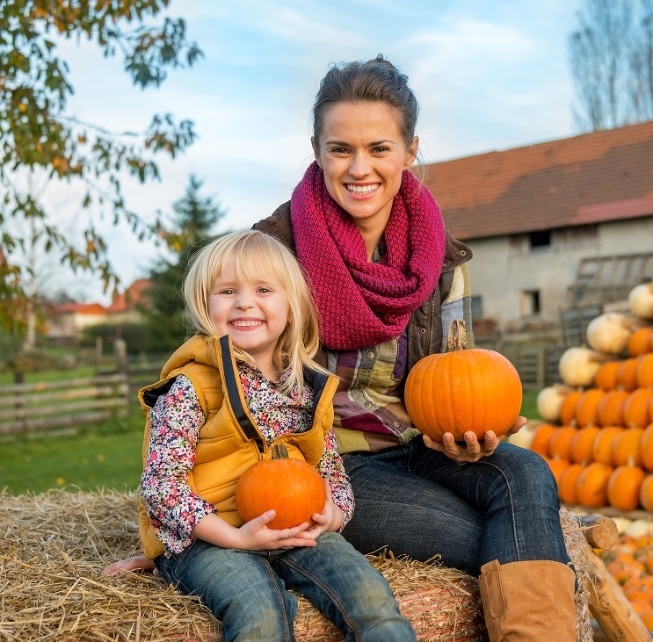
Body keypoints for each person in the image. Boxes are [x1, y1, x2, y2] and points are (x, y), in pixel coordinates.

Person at [107, 56, 577, 640]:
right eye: (340, 149)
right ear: (316, 149)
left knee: (526, 475)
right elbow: (214, 371)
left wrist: (463, 432)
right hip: (334, 463)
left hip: (418, 445)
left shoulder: (442, 262)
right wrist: (176, 536)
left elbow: (459, 372)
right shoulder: (277, 249)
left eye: (380, 148)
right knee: (487, 536)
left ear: (410, 150)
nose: (360, 168)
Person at [106, 230, 416, 642]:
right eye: (227, 291)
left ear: (291, 305)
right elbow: (162, 486)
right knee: (262, 615)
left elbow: (331, 472)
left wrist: (334, 513)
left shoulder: (306, 389)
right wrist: (234, 536)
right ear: (205, 303)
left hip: (296, 530)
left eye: (264, 289)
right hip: (213, 538)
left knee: (373, 600)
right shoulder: (191, 387)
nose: (245, 302)